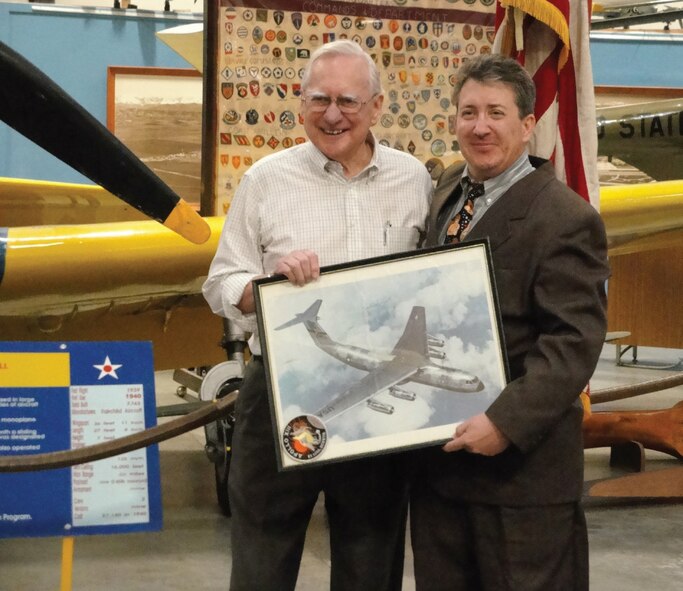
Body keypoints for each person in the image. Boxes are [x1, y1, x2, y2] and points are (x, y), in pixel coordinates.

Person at [202, 39, 432, 591]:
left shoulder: (415, 181)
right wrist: (266, 288)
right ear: (300, 104)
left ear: (377, 107)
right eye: (319, 100)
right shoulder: (265, 180)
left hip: (377, 395)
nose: (333, 115)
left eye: (349, 101)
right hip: (280, 388)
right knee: (263, 551)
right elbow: (221, 282)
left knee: (371, 556)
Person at [410, 54, 610, 591]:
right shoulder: (447, 193)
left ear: (527, 126)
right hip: (441, 471)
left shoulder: (566, 219)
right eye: (468, 111)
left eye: (496, 113)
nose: (480, 127)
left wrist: (505, 422)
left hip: (521, 480)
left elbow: (573, 342)